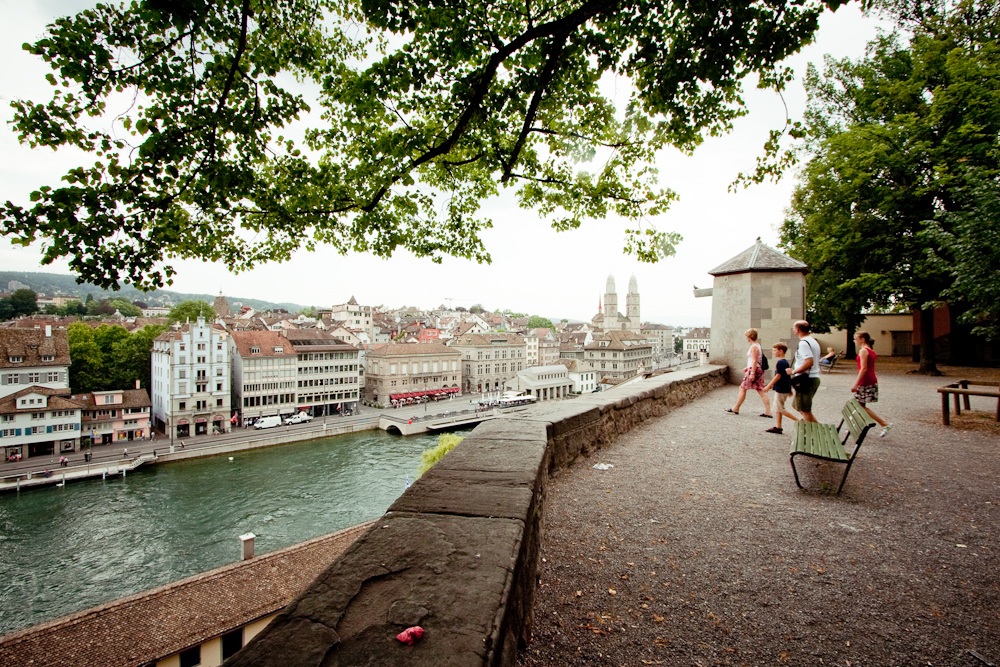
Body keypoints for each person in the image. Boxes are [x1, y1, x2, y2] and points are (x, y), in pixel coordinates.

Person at [851, 331, 893, 437]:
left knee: (859, 406)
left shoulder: (863, 351)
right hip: (870, 379)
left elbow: (863, 369)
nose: (854, 341)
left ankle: (884, 423)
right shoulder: (870, 350)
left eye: (856, 339)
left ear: (863, 339)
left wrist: (856, 384)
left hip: (865, 380)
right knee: (860, 405)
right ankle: (860, 426)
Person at [725, 328, 772, 417]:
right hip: (755, 369)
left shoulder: (754, 347)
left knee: (743, 388)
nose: (746, 338)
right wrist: (748, 367)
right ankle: (768, 411)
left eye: (746, 336)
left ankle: (736, 408)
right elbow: (756, 360)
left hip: (754, 370)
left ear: (749, 337)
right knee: (760, 390)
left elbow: (754, 361)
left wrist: (752, 373)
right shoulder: (757, 345)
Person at [791, 320, 822, 423]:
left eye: (794, 328)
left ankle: (811, 434)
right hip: (812, 378)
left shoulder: (804, 343)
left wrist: (794, 371)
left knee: (805, 409)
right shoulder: (813, 341)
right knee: (798, 406)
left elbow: (809, 362)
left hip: (806, 379)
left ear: (797, 329)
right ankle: (817, 428)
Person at [762, 342, 797, 435]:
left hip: (781, 388)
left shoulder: (781, 362)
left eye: (775, 350)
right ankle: (778, 427)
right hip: (783, 387)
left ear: (781, 351)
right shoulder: (785, 362)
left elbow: (778, 376)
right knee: (778, 408)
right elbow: (787, 376)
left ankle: (800, 421)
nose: (773, 352)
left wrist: (768, 386)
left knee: (780, 408)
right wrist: (789, 388)